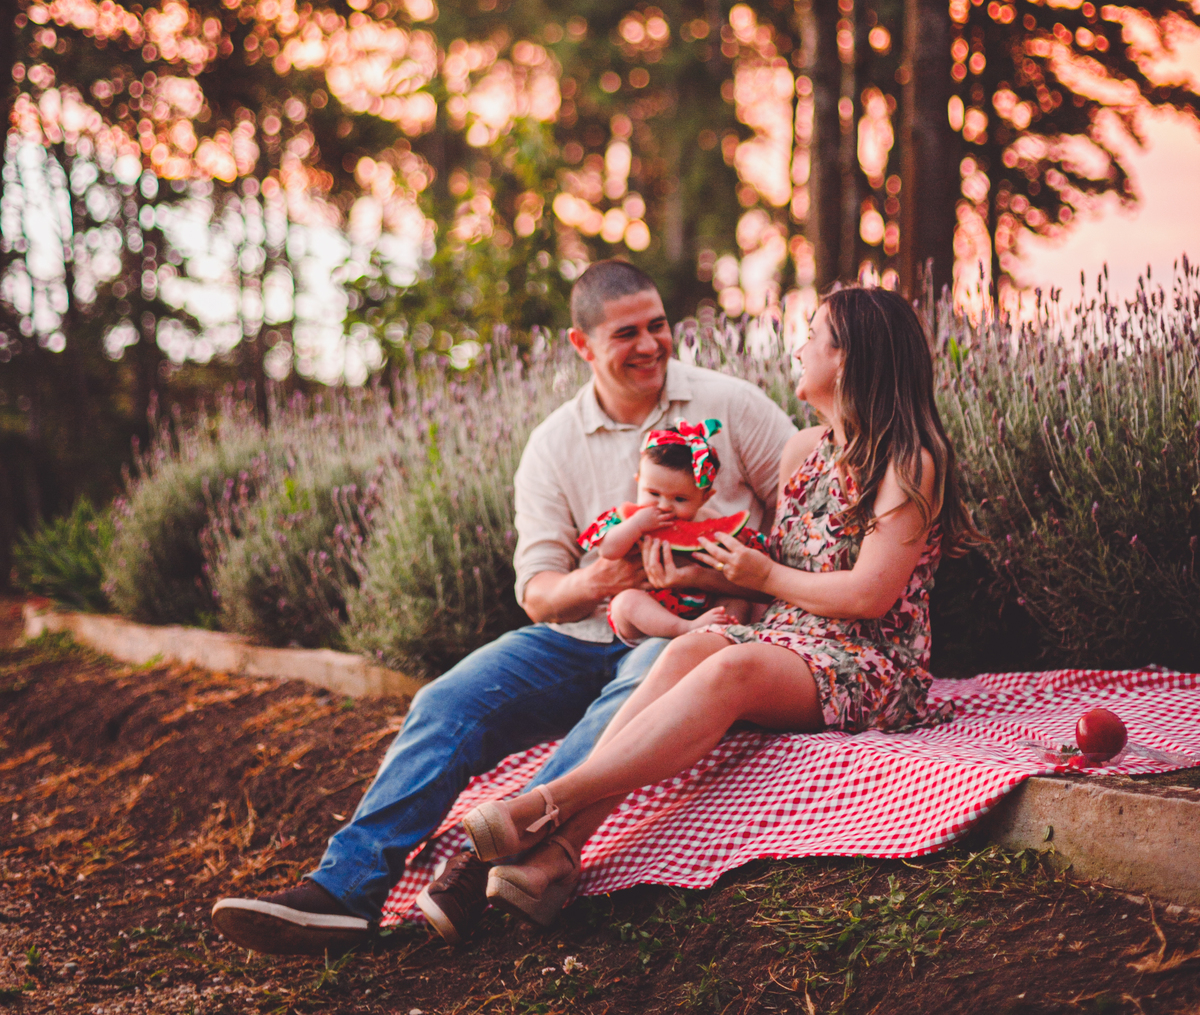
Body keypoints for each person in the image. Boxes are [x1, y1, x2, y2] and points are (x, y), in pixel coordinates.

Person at [210, 259, 796, 955]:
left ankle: (483, 863)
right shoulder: (553, 444)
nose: (650, 345)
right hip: (581, 632)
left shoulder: (731, 405)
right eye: (626, 333)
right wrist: (605, 580)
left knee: (637, 687)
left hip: (690, 635)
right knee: (447, 701)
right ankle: (344, 891)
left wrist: (724, 581)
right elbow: (539, 590)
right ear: (582, 346)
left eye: (659, 325)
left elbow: (807, 526)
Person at [460, 287, 975, 929]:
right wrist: (704, 572)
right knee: (690, 646)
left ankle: (546, 804)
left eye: (812, 335)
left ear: (846, 360)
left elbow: (870, 595)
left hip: (871, 663)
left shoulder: (908, 462)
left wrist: (763, 572)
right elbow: (787, 583)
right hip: (794, 641)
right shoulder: (802, 452)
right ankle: (562, 850)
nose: (797, 347)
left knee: (734, 669)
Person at [581, 421, 769, 643]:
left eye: (679, 499)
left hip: (705, 611)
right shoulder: (629, 519)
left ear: (704, 497)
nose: (664, 506)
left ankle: (722, 637)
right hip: (645, 618)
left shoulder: (712, 522)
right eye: (653, 493)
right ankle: (684, 628)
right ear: (638, 482)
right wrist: (636, 526)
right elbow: (608, 551)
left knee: (738, 604)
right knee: (625, 602)